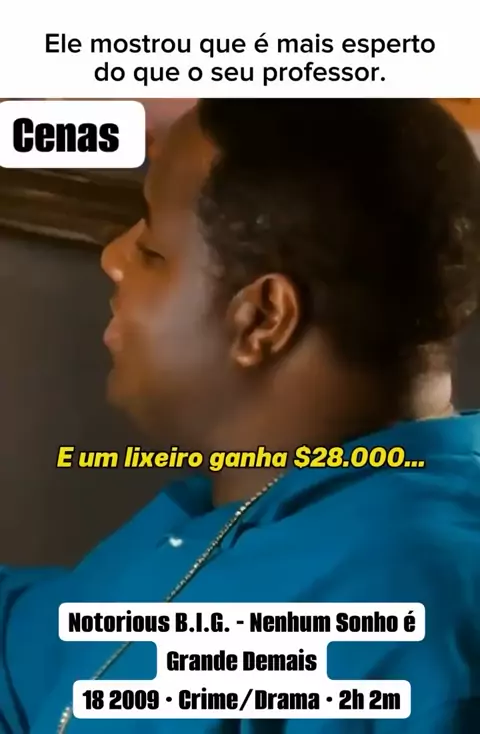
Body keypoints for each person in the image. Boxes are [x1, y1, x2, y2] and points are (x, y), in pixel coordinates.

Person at [1, 98, 480, 733]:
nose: (113, 257)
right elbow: (40, 660)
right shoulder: (237, 509)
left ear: (262, 319)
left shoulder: (401, 620)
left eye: (152, 249)